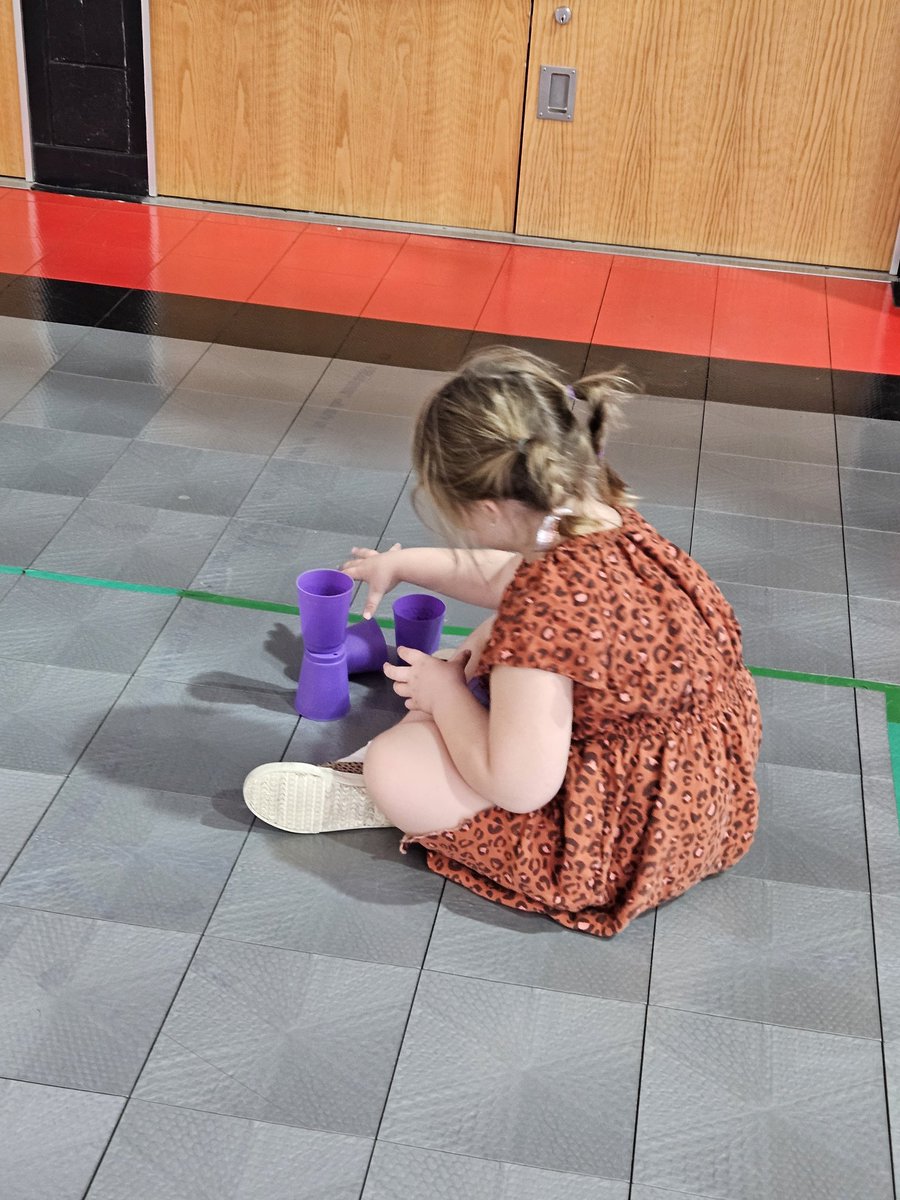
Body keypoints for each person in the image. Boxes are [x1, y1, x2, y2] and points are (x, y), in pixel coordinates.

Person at [243, 347, 761, 937]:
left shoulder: (543, 612)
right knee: (498, 634)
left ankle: (387, 797)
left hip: (622, 846)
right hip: (708, 799)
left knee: (395, 762)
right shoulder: (602, 522)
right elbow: (505, 579)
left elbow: (521, 787)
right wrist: (407, 563)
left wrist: (442, 697)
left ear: (488, 509)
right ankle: (450, 744)